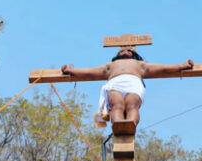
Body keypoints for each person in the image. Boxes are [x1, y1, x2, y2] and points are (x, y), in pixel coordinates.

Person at [61, 49, 194, 126]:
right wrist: (71, 71)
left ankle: (130, 124)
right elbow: (90, 71)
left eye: (128, 50)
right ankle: (118, 125)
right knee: (116, 106)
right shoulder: (110, 65)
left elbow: (163, 68)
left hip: (133, 83)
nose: (124, 50)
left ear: (133, 54)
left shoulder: (140, 64)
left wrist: (182, 66)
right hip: (115, 83)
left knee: (132, 106)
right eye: (121, 50)